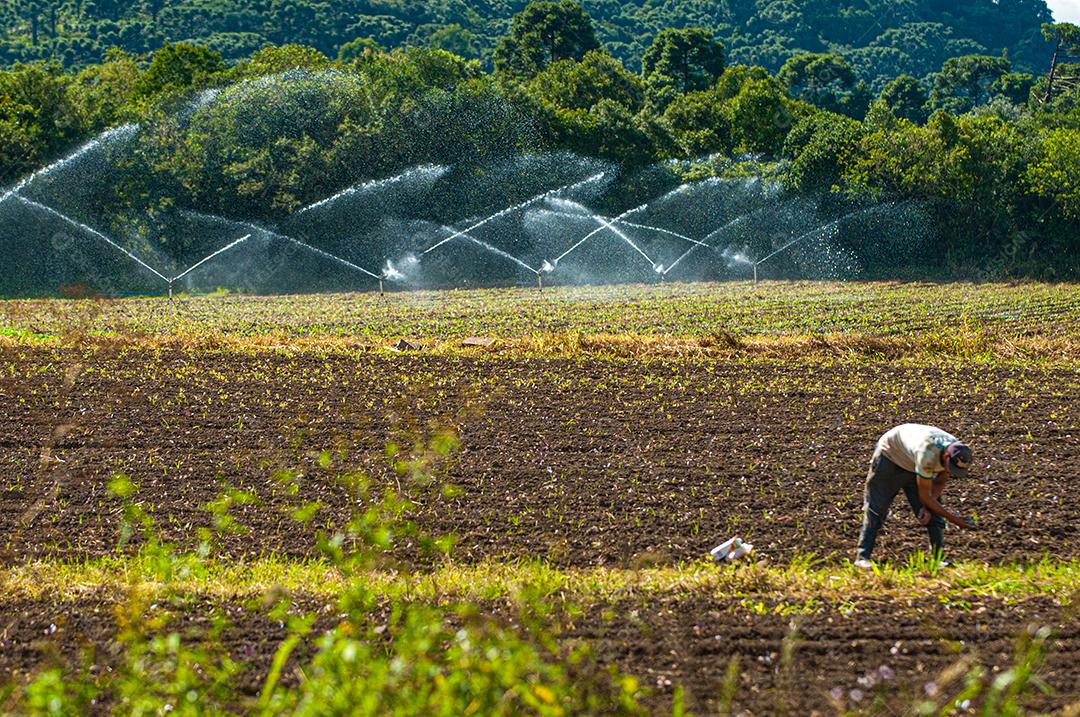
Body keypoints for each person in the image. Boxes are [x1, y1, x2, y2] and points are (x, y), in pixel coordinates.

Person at [854, 423, 978, 569]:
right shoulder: (927, 453)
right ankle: (862, 557)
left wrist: (927, 507)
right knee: (877, 507)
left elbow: (940, 481)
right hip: (891, 456)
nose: (951, 470)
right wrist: (954, 519)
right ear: (946, 456)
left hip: (913, 459)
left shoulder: (956, 451)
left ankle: (937, 558)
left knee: (933, 509)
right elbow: (925, 495)